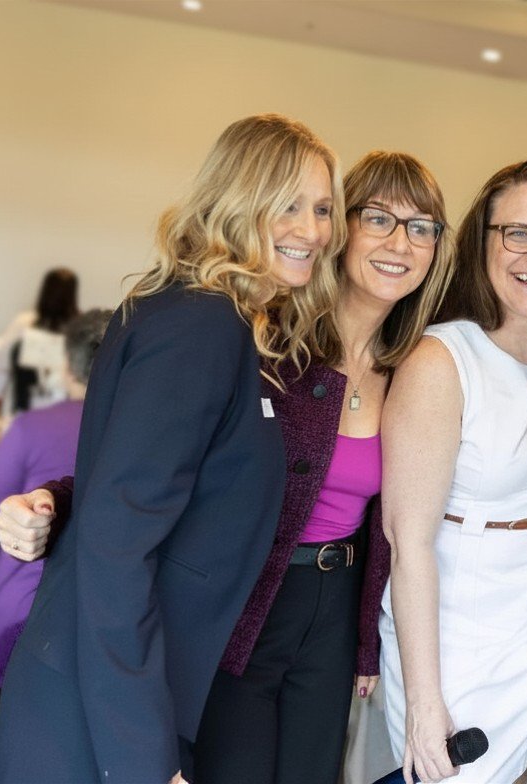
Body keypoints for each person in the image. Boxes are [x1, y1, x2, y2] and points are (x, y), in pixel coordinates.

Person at [0, 113, 346, 784]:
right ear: (236, 201)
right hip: (103, 713)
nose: (312, 230)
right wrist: (144, 761)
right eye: (287, 205)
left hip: (129, 690)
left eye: (323, 209)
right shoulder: (200, 326)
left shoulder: (218, 319)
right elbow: (118, 544)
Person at [193, 150, 454, 784]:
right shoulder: (268, 341)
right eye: (379, 218)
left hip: (333, 607)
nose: (400, 244)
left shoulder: (415, 370)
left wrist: (365, 638)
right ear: (340, 227)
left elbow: (394, 527)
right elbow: (177, 463)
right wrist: (59, 499)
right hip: (247, 601)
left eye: (421, 227)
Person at [380, 160, 527, 783]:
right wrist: (425, 701)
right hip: (455, 624)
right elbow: (408, 543)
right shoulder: (442, 359)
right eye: (519, 233)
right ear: (482, 240)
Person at [0, 308, 111, 694]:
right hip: (108, 616)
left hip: (28, 612)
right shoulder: (143, 434)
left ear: (67, 368)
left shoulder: (34, 426)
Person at [0, 267, 80, 414]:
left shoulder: (24, 322)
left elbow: (2, 361)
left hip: (20, 404)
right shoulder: (78, 328)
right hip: (59, 406)